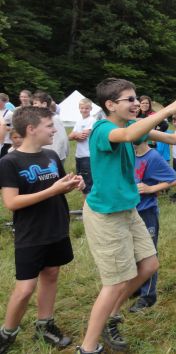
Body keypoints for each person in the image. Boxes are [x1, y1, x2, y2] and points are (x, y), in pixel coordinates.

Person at [76, 78, 176, 354]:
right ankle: (88, 347)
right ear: (109, 104)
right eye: (128, 100)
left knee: (149, 264)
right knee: (115, 281)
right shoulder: (103, 130)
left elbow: (169, 137)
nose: (134, 103)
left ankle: (112, 316)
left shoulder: (130, 126)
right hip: (106, 214)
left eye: (135, 98)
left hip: (127, 209)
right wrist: (167, 110)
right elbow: (127, 137)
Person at [0, 106, 85, 353]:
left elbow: (58, 185)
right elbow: (11, 203)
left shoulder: (50, 156)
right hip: (31, 233)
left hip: (56, 226)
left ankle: (44, 325)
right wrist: (53, 190)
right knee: (25, 288)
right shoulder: (9, 162)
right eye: (49, 126)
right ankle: (8, 333)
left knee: (51, 274)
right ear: (31, 129)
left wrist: (71, 184)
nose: (55, 129)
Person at [129, 139, 176, 313]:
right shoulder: (129, 154)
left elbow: (175, 179)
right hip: (130, 212)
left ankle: (148, 296)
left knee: (148, 253)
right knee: (133, 252)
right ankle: (136, 286)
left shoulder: (153, 156)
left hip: (147, 212)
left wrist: (151, 189)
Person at [31, 92, 69, 164]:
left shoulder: (54, 119)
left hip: (54, 158)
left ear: (44, 104)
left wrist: (55, 157)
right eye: (33, 103)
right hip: (44, 155)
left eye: (35, 103)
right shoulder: (39, 119)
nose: (33, 106)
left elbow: (62, 139)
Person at [68, 98, 96, 196]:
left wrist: (75, 134)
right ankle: (85, 206)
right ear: (79, 108)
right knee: (81, 182)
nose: (84, 110)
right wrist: (75, 135)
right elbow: (70, 137)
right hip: (79, 155)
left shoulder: (92, 120)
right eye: (82, 108)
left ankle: (88, 208)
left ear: (91, 109)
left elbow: (83, 137)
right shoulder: (79, 120)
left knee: (88, 183)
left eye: (86, 108)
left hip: (87, 155)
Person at [0, 93, 13, 157]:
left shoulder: (10, 113)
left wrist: (5, 127)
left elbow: (15, 129)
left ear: (5, 102)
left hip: (6, 142)